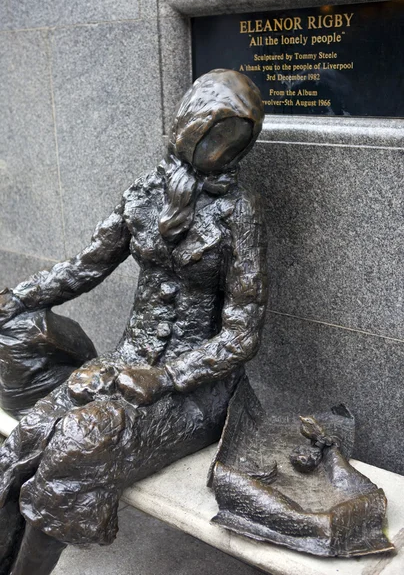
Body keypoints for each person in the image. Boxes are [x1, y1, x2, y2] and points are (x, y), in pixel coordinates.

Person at [0, 69, 267, 575]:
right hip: (124, 365)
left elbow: (242, 333)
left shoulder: (241, 211)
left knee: (81, 442)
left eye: (233, 137)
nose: (219, 147)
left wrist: (167, 376)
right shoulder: (146, 192)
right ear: (188, 125)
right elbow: (85, 266)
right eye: (212, 132)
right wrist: (15, 298)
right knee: (29, 433)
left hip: (199, 394)